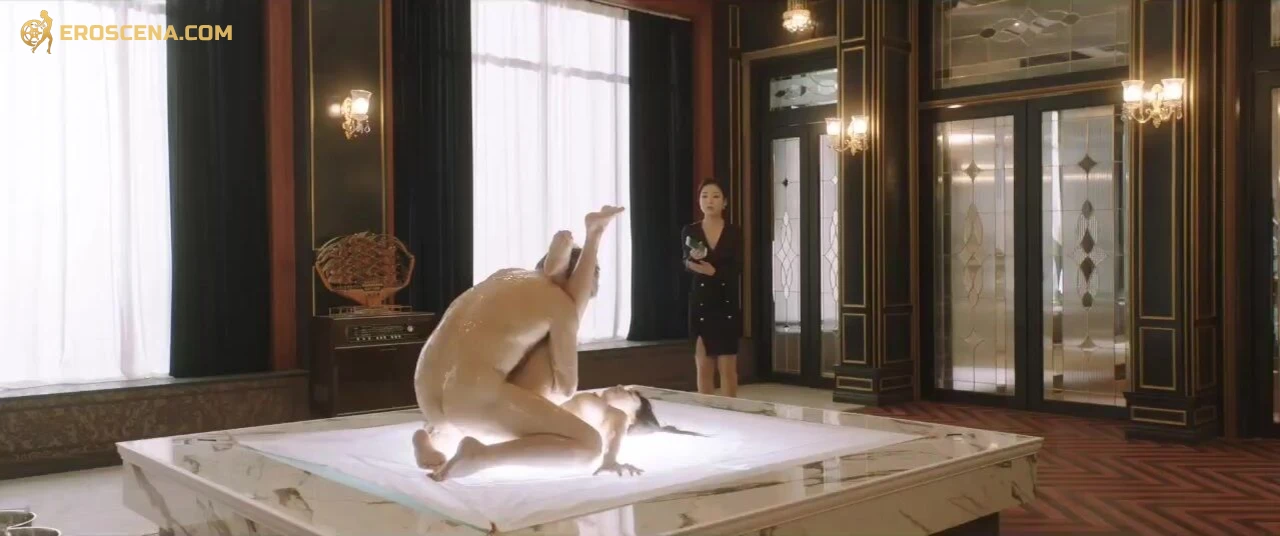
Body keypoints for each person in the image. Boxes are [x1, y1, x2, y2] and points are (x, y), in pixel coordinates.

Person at [411, 206, 625, 482]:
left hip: (426, 394)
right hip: (470, 398)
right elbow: (566, 385)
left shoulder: (503, 277)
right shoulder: (561, 305)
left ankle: (429, 437)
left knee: (481, 395)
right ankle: (482, 456)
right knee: (588, 446)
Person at [682, 179, 742, 397]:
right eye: (704, 196)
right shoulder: (690, 230)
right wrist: (692, 261)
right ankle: (707, 411)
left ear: (724, 202)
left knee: (727, 368)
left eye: (715, 196)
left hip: (726, 302)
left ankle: (732, 410)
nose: (709, 201)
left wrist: (714, 272)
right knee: (703, 365)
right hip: (701, 301)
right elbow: (685, 262)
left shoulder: (734, 232)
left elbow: (738, 267)